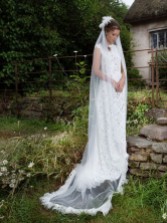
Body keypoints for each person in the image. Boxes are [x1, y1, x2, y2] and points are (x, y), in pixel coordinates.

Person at [40, 16, 128, 216]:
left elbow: (123, 69)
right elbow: (96, 71)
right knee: (105, 123)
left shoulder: (116, 49)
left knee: (116, 123)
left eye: (118, 35)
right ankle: (104, 156)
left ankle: (116, 154)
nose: (116, 38)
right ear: (106, 33)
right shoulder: (99, 49)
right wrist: (111, 80)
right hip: (106, 90)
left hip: (118, 92)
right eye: (114, 34)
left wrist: (121, 80)